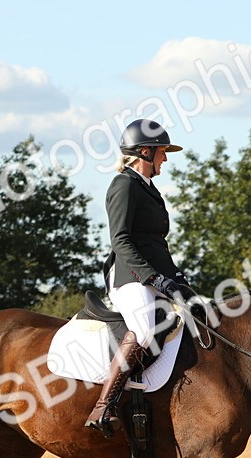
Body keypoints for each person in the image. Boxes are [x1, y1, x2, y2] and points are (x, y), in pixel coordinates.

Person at [85, 118, 195, 436]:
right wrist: (151, 278)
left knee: (195, 316)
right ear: (144, 151)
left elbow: (156, 245)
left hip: (150, 275)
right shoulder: (123, 185)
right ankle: (103, 407)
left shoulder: (150, 190)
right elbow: (120, 240)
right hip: (127, 276)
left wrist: (178, 279)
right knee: (145, 329)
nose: (165, 158)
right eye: (162, 152)